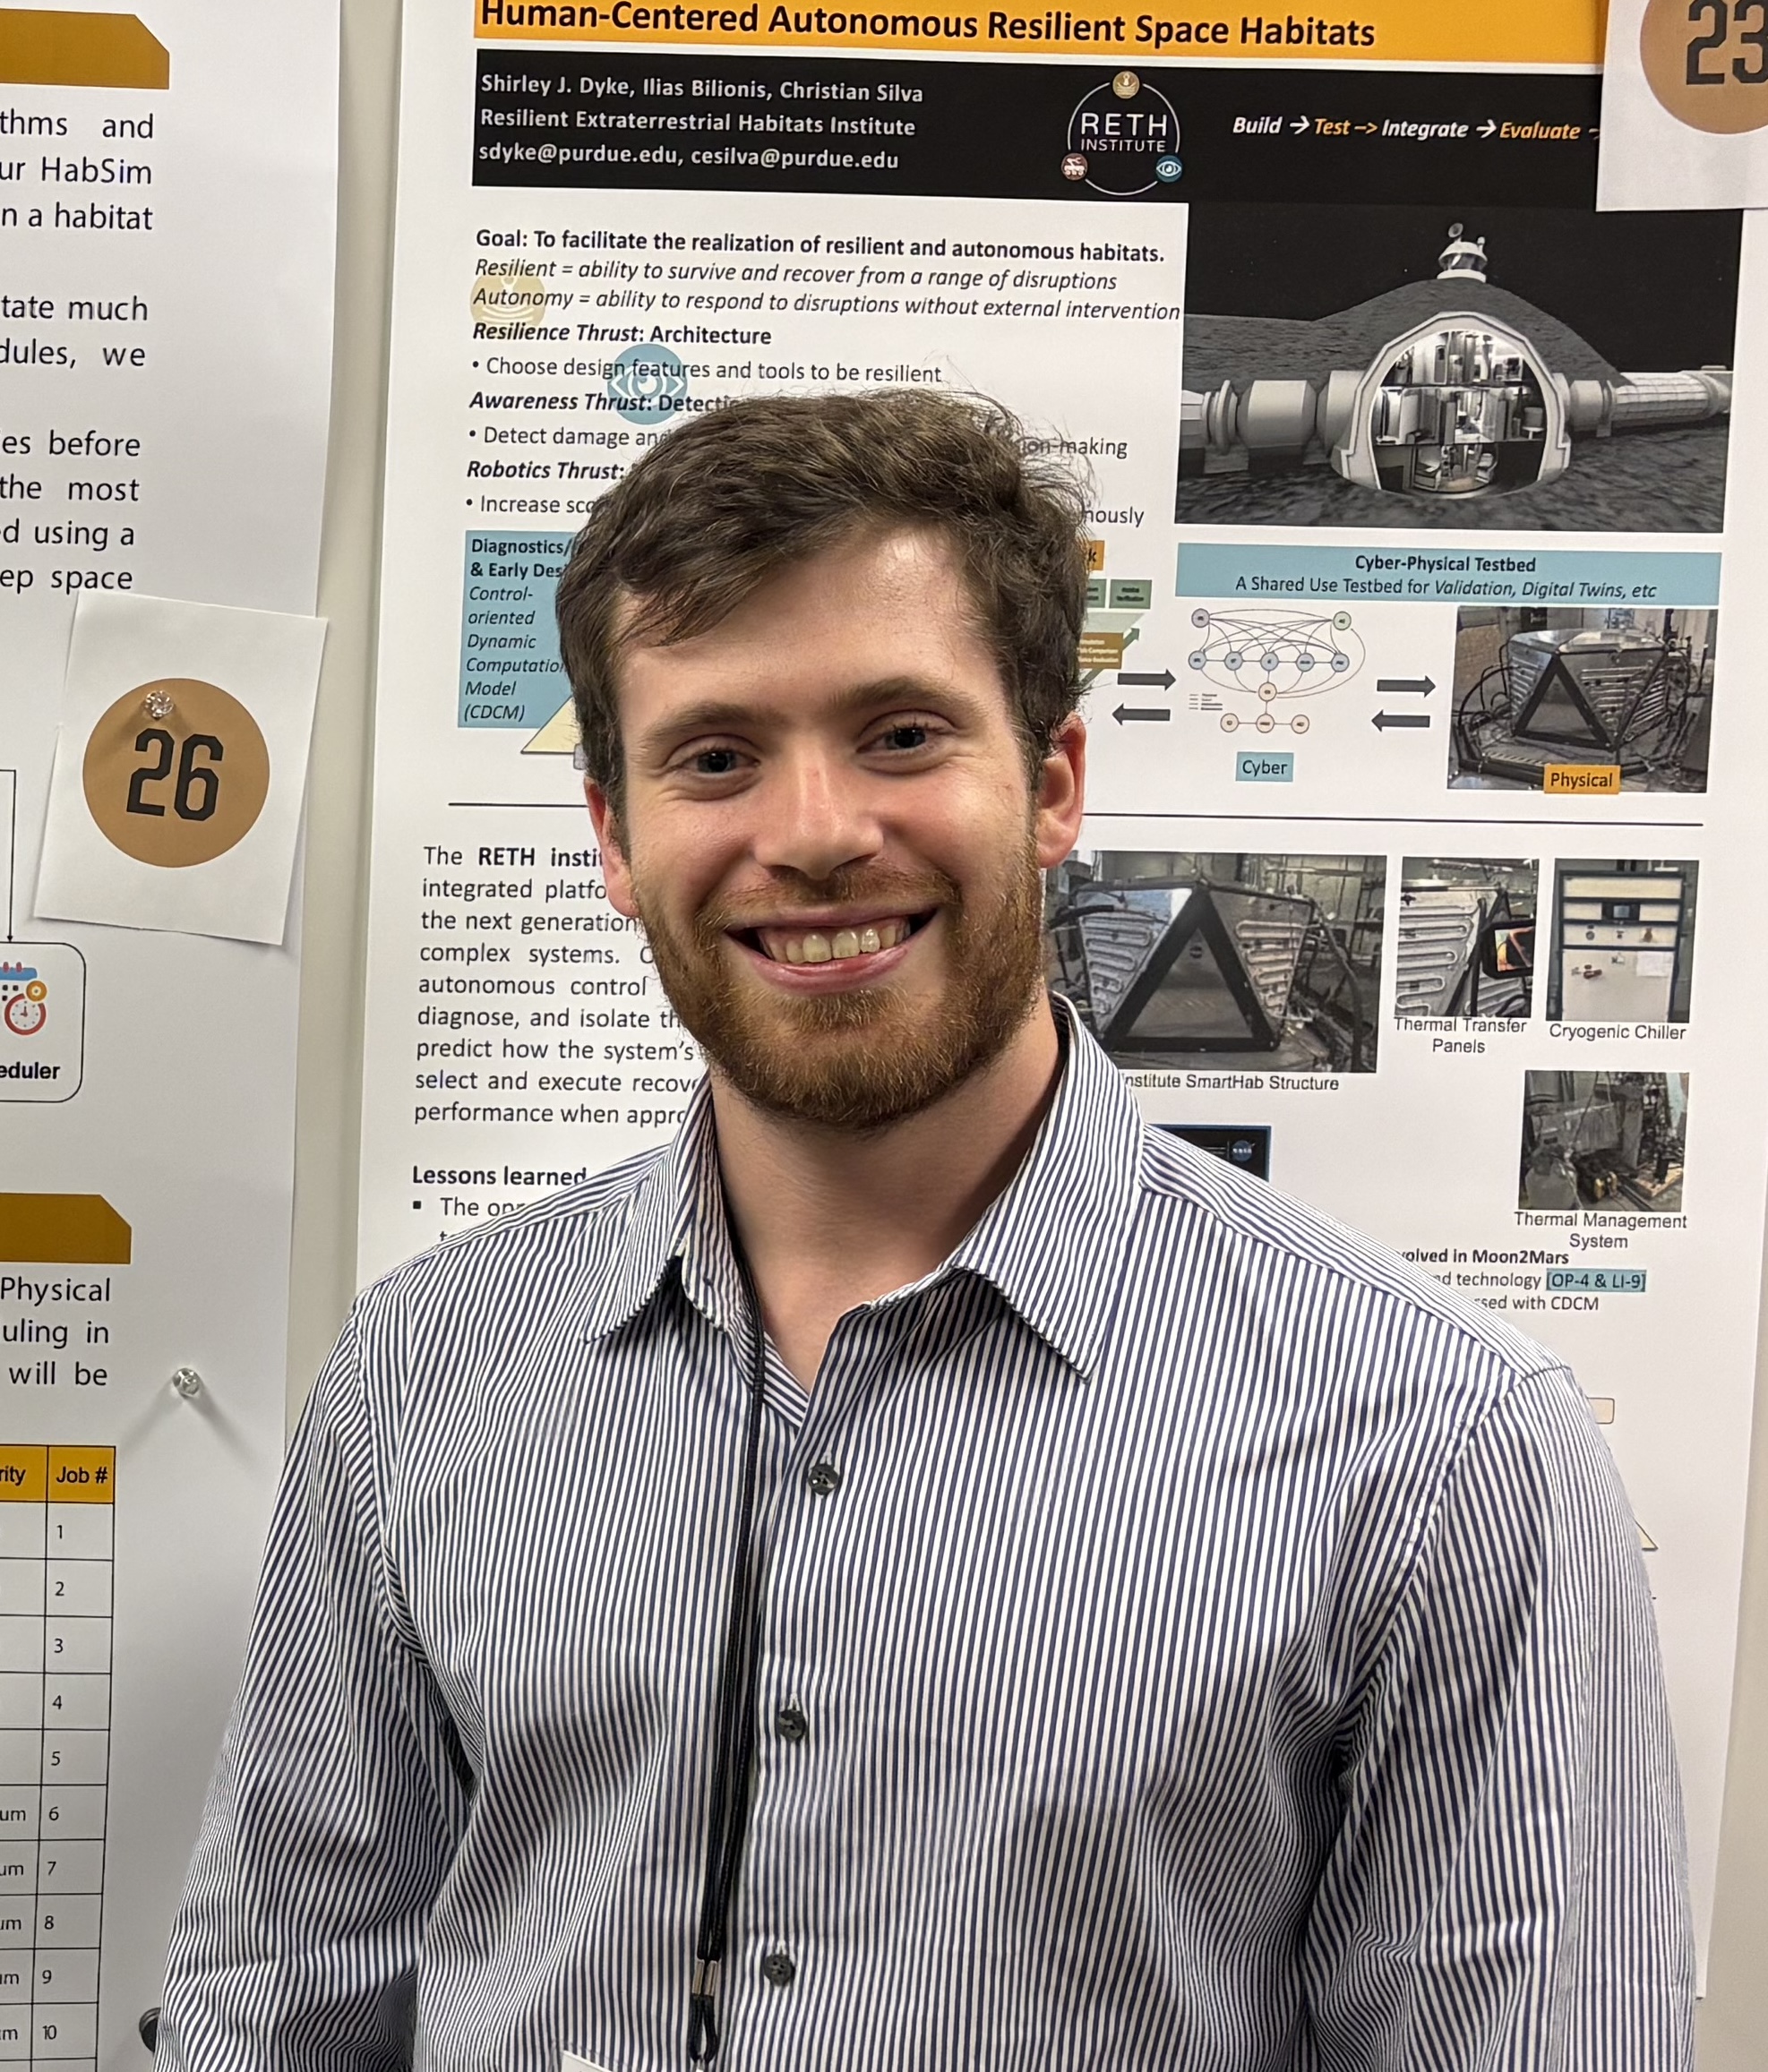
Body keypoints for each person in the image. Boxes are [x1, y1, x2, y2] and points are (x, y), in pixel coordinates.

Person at [158, 390, 1692, 2072]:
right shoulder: (420, 1374)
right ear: (614, 837)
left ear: (1051, 783)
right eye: (715, 757)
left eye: (898, 734)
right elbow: (275, 2010)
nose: (814, 834)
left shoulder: (1447, 1451)